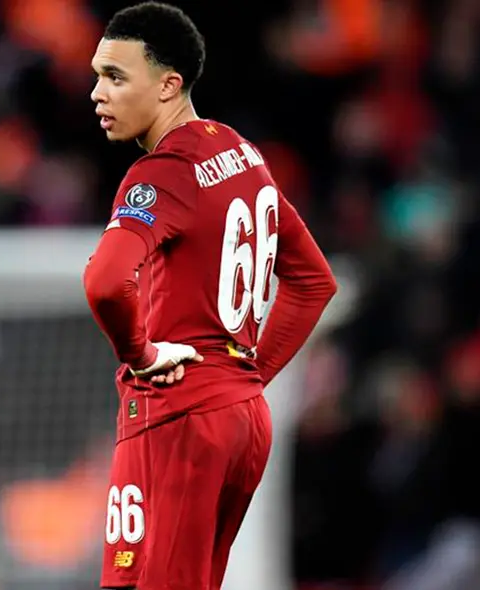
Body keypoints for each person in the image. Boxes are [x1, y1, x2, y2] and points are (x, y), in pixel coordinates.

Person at [82, 3, 338, 589]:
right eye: (98, 74)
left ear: (169, 84)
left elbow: (103, 282)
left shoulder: (162, 173)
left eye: (116, 77)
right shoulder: (242, 156)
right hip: (241, 419)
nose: (97, 93)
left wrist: (142, 355)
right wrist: (243, 383)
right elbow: (313, 280)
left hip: (177, 416)